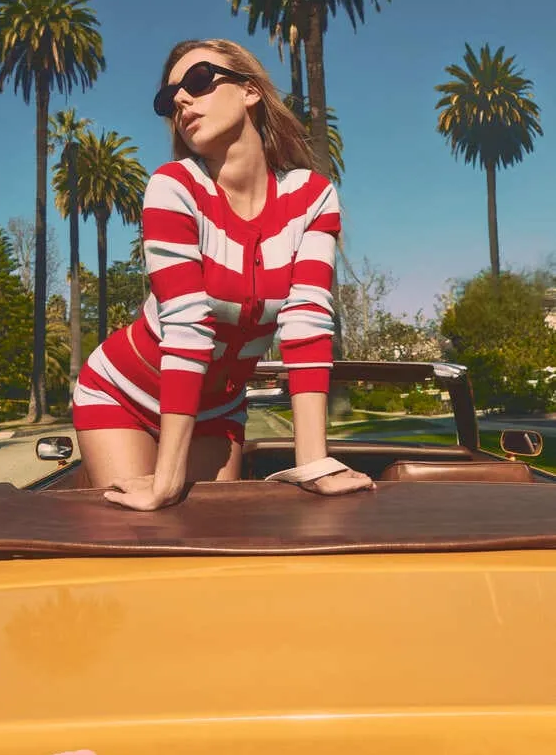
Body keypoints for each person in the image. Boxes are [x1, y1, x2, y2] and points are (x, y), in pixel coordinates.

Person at [72, 38, 374, 509]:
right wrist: (166, 482)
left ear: (250, 90)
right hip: (121, 393)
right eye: (168, 98)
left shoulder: (313, 198)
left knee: (212, 534)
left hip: (218, 409)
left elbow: (307, 324)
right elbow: (187, 326)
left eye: (198, 81)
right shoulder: (173, 187)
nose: (181, 100)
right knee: (139, 535)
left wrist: (315, 464)